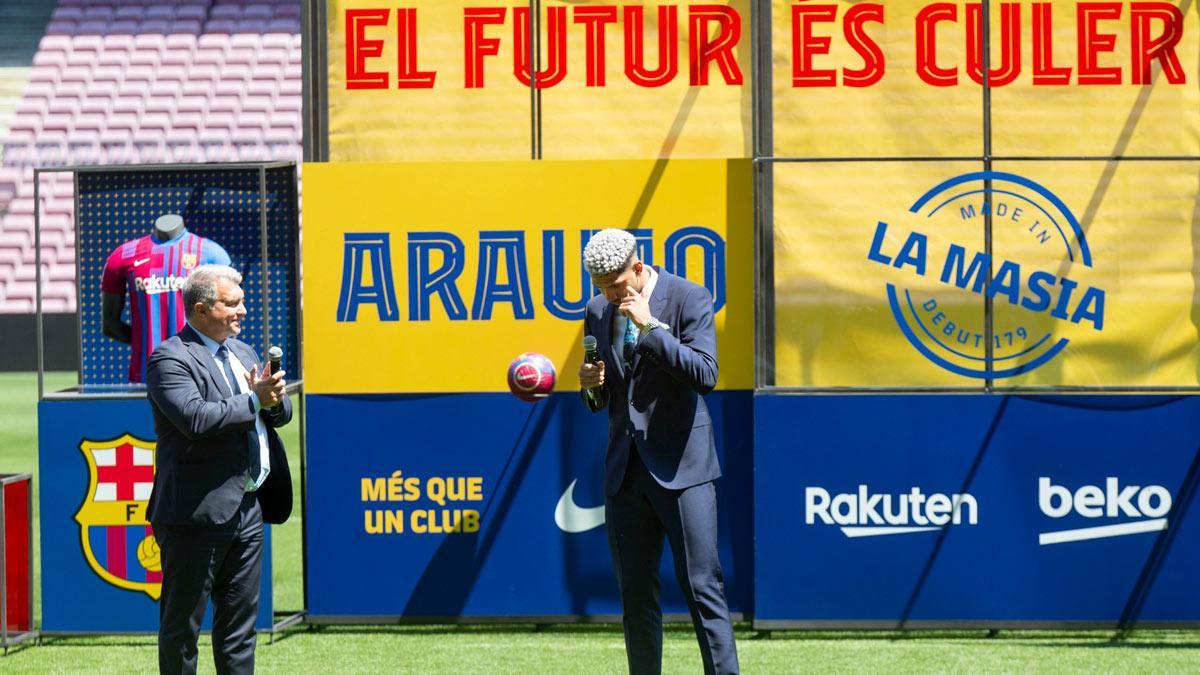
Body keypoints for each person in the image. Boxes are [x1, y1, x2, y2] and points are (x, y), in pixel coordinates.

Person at [577, 229, 739, 675]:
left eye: (618, 283)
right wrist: (590, 387)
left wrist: (649, 327)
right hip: (625, 474)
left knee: (703, 588)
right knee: (635, 596)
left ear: (639, 266)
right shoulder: (597, 311)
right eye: (602, 286)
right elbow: (606, 401)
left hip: (683, 469)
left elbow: (705, 374)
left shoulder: (689, 297)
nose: (612, 294)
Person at [145, 265, 292, 675]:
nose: (242, 310)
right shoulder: (169, 358)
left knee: (240, 633)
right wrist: (254, 400)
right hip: (195, 514)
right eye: (231, 303)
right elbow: (195, 418)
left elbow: (277, 415)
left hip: (248, 509)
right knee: (182, 632)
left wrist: (275, 400)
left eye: (241, 301)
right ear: (200, 309)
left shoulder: (243, 352)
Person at [102, 214, 231, 383]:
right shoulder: (124, 255)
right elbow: (110, 324)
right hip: (147, 374)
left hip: (198, 372)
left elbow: (227, 316)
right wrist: (145, 342)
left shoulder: (212, 254)